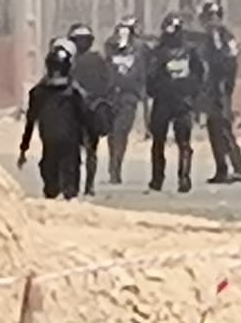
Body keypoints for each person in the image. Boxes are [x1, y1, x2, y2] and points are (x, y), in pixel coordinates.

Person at [18, 42, 92, 200]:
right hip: (69, 143)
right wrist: (89, 141)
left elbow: (30, 121)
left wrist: (24, 149)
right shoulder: (74, 92)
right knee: (67, 185)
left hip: (51, 142)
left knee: (52, 182)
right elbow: (86, 117)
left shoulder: (39, 92)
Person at [146, 12, 205, 194]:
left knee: (176, 142)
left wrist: (192, 94)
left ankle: (173, 178)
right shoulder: (164, 52)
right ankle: (167, 178)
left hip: (175, 101)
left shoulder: (184, 52)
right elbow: (150, 76)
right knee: (166, 142)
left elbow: (199, 74)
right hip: (172, 100)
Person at [197, 0, 241, 185]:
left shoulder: (217, 34)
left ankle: (238, 169)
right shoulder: (225, 35)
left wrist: (218, 87)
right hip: (219, 88)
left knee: (223, 128)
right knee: (214, 129)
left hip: (218, 89)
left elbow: (220, 62)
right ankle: (222, 169)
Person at [65, 23, 112, 196]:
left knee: (76, 151)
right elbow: (108, 83)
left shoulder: (68, 60)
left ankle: (76, 186)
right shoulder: (97, 60)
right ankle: (87, 186)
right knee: (90, 150)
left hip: (80, 110)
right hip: (89, 108)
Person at [103, 17, 149, 185]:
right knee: (115, 134)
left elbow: (144, 72)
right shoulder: (111, 46)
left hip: (128, 95)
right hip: (115, 95)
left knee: (119, 132)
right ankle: (114, 167)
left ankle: (115, 168)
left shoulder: (140, 49)